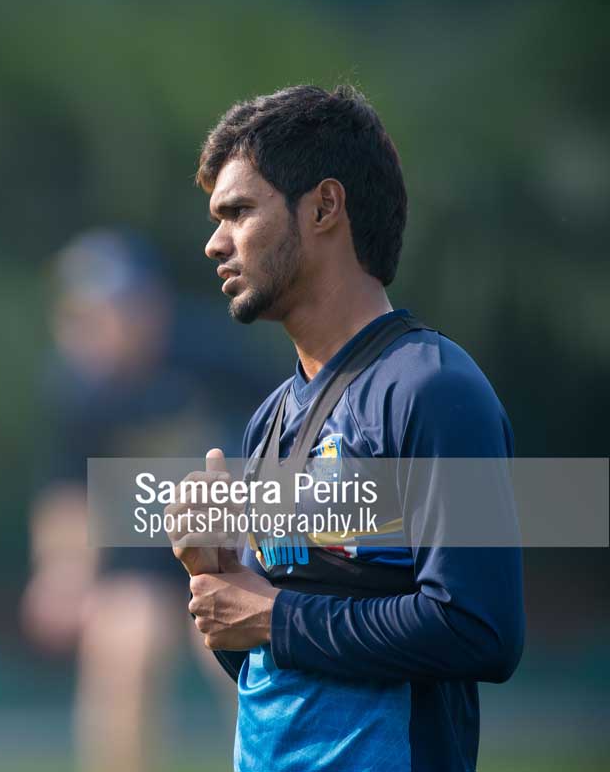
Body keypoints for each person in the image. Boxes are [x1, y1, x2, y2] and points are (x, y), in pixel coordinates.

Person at [172, 85, 525, 771]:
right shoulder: (270, 420)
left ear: (324, 207)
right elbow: (280, 665)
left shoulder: (432, 389)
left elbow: (480, 628)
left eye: (239, 212)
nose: (215, 243)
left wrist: (272, 615)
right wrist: (219, 575)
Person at [21, 230, 258, 772]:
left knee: (238, 647)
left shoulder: (215, 356)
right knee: (125, 640)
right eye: (79, 315)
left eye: (109, 311)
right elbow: (67, 491)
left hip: (231, 538)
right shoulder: (74, 390)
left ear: (151, 308)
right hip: (139, 548)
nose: (93, 329)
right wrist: (60, 571)